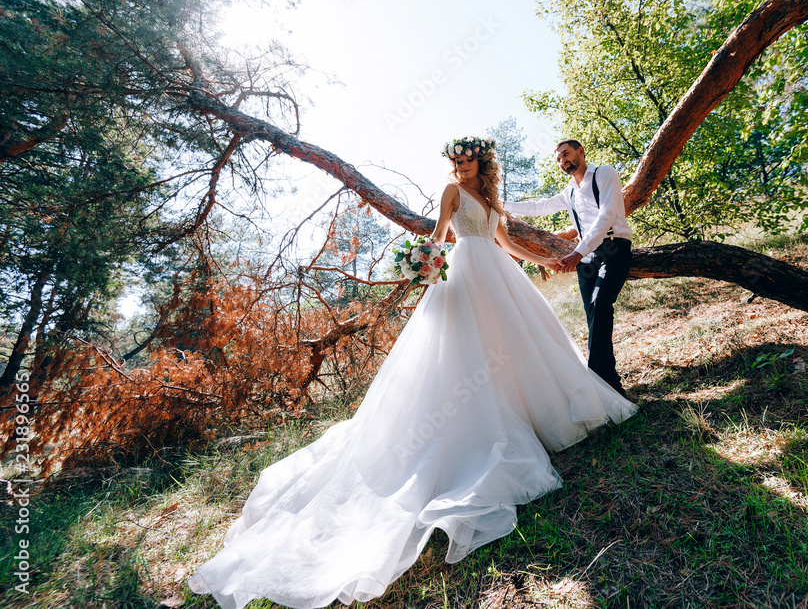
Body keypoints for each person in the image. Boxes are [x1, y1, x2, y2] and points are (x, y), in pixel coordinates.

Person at [188, 136, 637, 609]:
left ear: (481, 162)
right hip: (465, 273)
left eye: (467, 161)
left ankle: (532, 410)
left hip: (499, 274)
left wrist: (546, 259)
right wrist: (425, 261)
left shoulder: (489, 197)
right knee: (473, 353)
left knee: (519, 340)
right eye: (455, 162)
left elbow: (504, 242)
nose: (461, 167)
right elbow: (441, 234)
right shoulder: (451, 191)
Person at [504, 139, 634, 401]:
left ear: (580, 152)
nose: (562, 160)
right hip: (588, 257)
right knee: (593, 318)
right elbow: (537, 207)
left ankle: (597, 378)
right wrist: (499, 204)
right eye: (558, 158)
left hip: (613, 247)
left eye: (566, 154)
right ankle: (612, 385)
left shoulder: (604, 173)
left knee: (599, 306)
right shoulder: (569, 192)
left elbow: (606, 215)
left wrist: (577, 252)